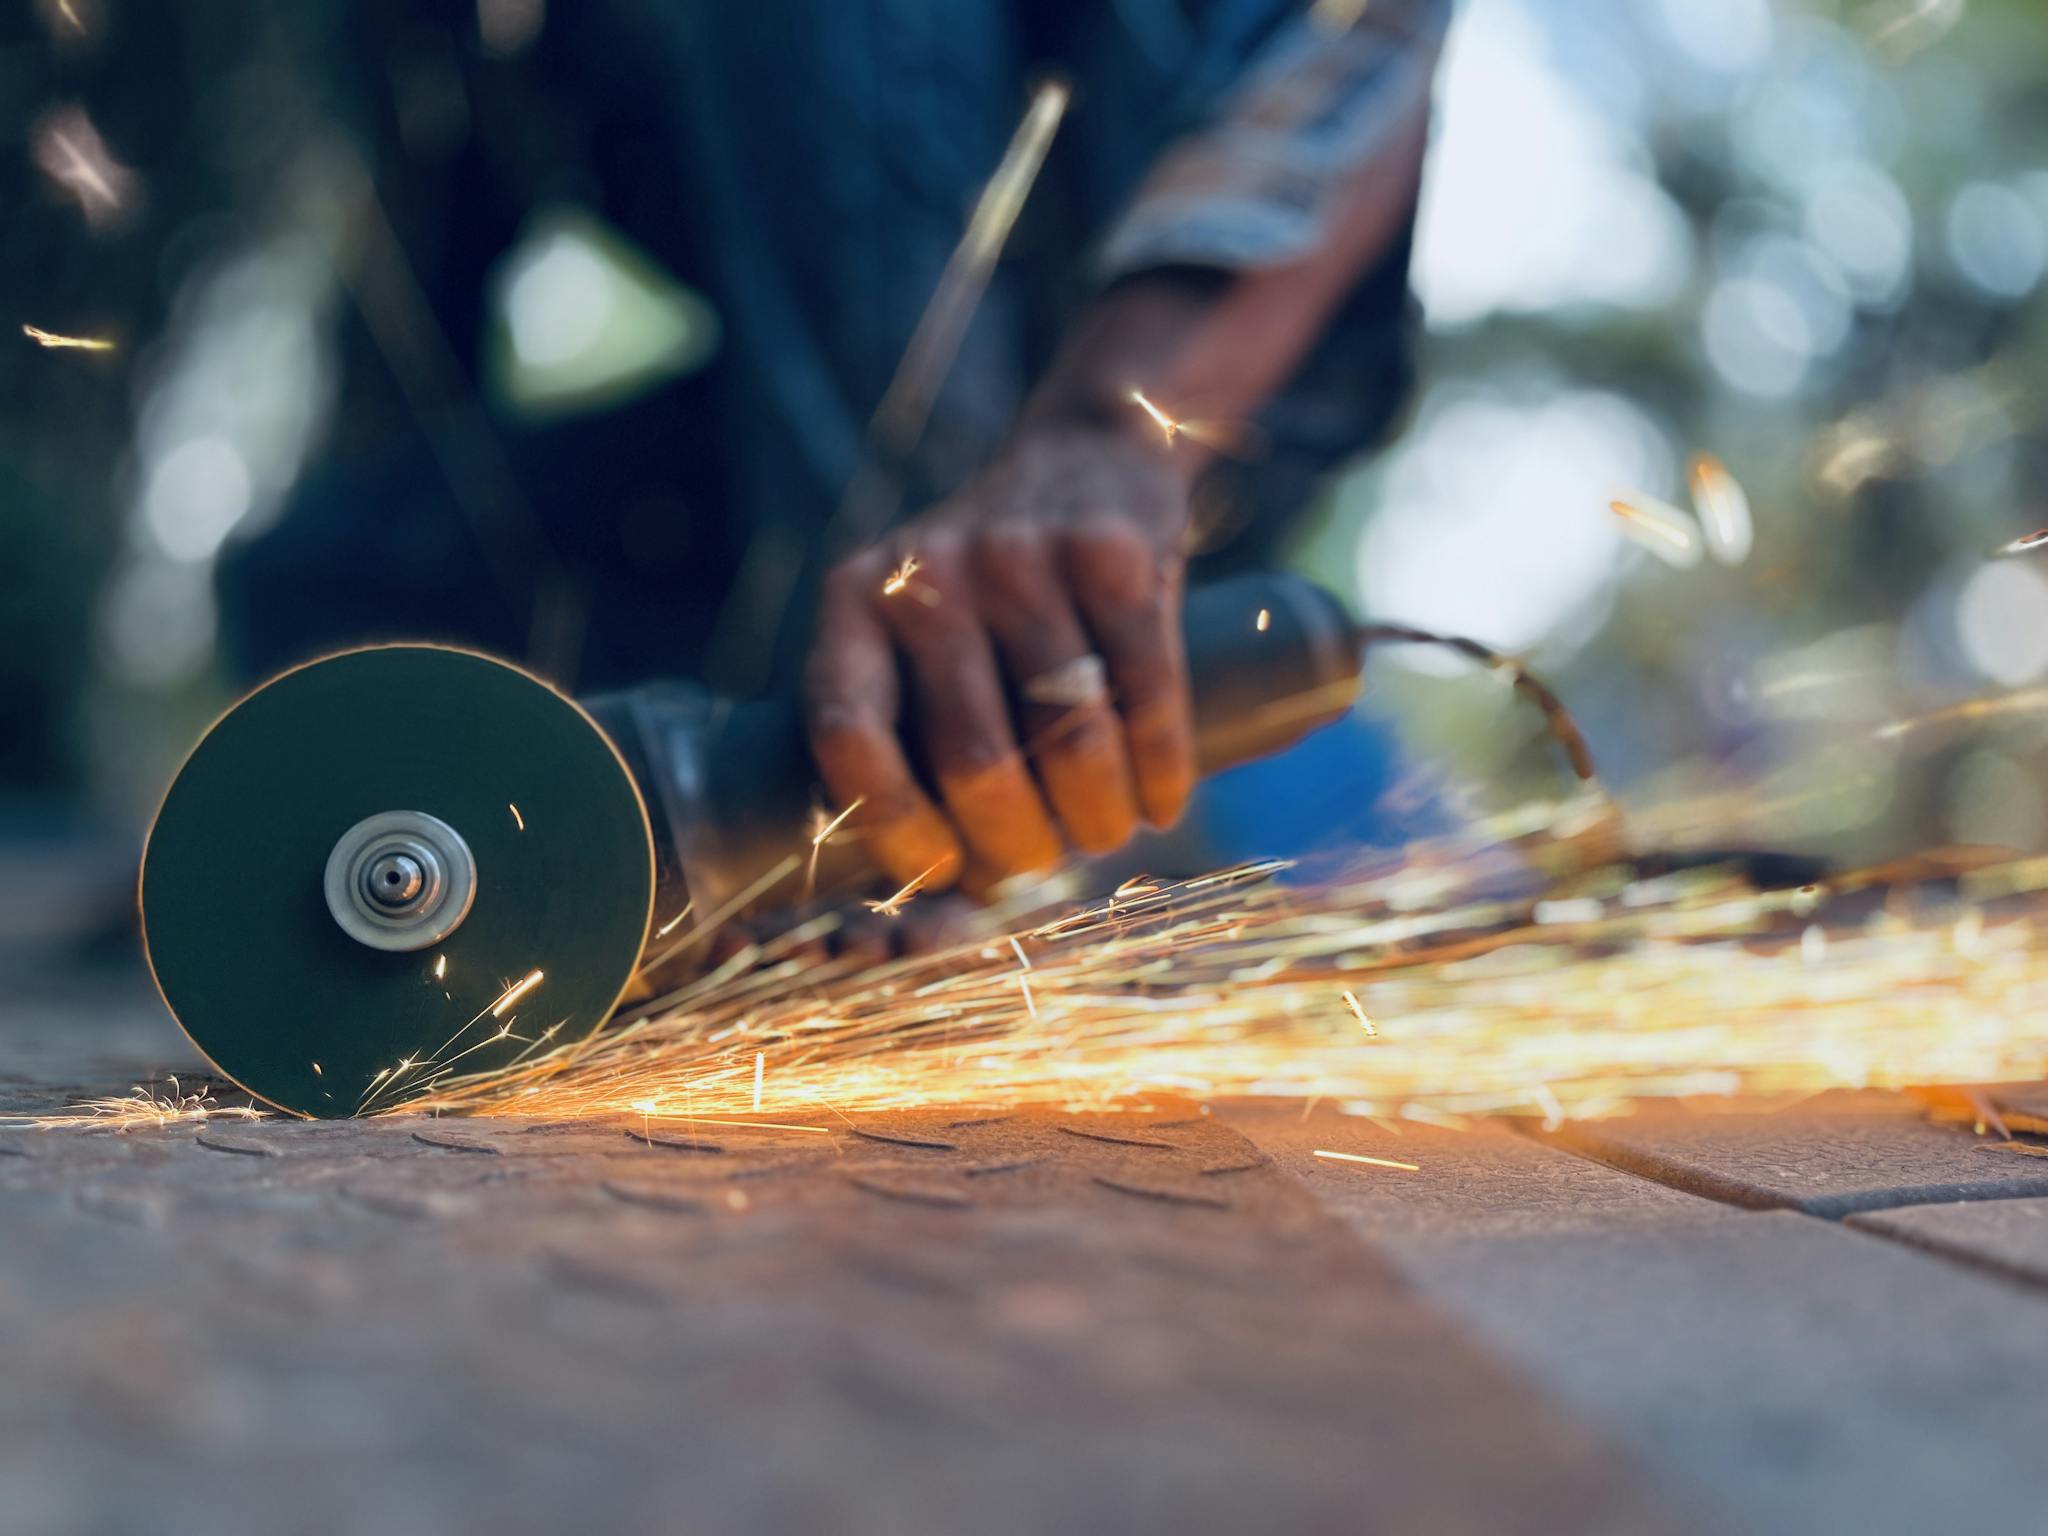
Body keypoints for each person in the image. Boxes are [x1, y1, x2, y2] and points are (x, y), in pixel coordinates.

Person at [220, 0, 1450, 902]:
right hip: (765, 460)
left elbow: (1351, 37)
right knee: (320, 582)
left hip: (1180, 408)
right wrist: (341, 747)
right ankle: (810, 772)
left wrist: (1103, 429)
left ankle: (941, 816)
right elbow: (417, 323)